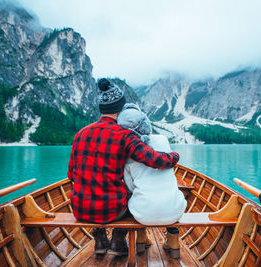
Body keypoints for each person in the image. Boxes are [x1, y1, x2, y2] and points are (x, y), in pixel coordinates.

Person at [67, 78, 180, 256]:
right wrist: (174, 156)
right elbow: (153, 159)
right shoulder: (125, 135)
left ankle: (100, 241)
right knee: (131, 195)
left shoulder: (81, 134)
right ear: (120, 109)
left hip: (80, 209)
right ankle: (118, 242)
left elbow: (71, 175)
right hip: (112, 211)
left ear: (102, 109)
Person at [118, 104, 186, 258]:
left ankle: (141, 237)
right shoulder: (162, 139)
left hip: (143, 214)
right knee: (173, 193)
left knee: (131, 196)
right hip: (174, 211)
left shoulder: (128, 150)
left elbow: (129, 186)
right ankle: (173, 240)